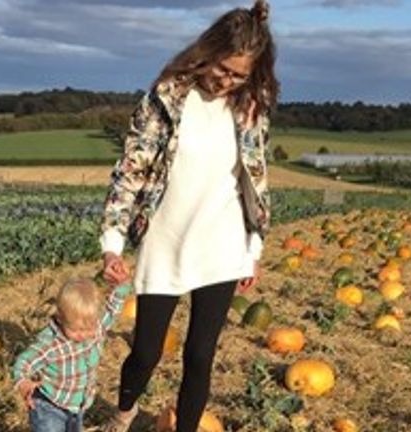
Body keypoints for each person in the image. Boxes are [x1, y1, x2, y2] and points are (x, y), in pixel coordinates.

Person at [98, 1, 279, 430]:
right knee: (146, 351)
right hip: (166, 239)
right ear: (208, 51)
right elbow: (131, 170)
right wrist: (112, 243)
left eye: (239, 75)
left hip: (221, 241)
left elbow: (255, 178)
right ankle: (122, 420)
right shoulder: (166, 98)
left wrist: (253, 247)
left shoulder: (250, 108)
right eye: (223, 69)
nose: (227, 80)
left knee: (200, 355)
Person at [12, 269, 131, 432]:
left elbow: (112, 310)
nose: (82, 335)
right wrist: (23, 382)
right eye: (75, 330)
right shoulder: (51, 344)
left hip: (77, 407)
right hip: (49, 406)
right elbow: (23, 363)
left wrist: (122, 286)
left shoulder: (96, 328)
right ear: (60, 318)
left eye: (87, 328)